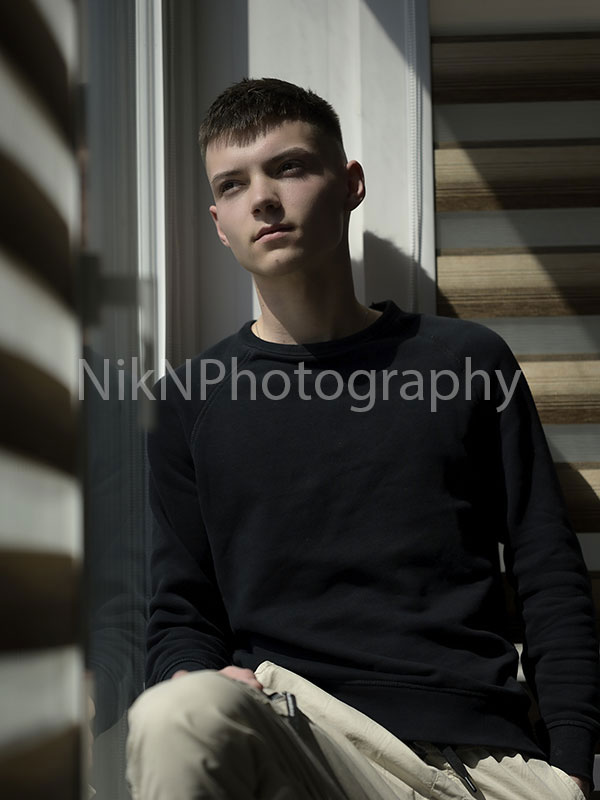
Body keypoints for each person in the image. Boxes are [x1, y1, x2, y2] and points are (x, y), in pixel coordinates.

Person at [126, 78, 599, 799]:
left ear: (351, 184)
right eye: (233, 184)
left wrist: (573, 762)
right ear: (220, 222)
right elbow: (182, 609)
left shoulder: (465, 360)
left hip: (480, 760)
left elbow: (547, 570)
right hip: (301, 741)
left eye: (288, 167)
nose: (263, 199)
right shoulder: (189, 402)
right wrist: (195, 678)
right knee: (175, 712)